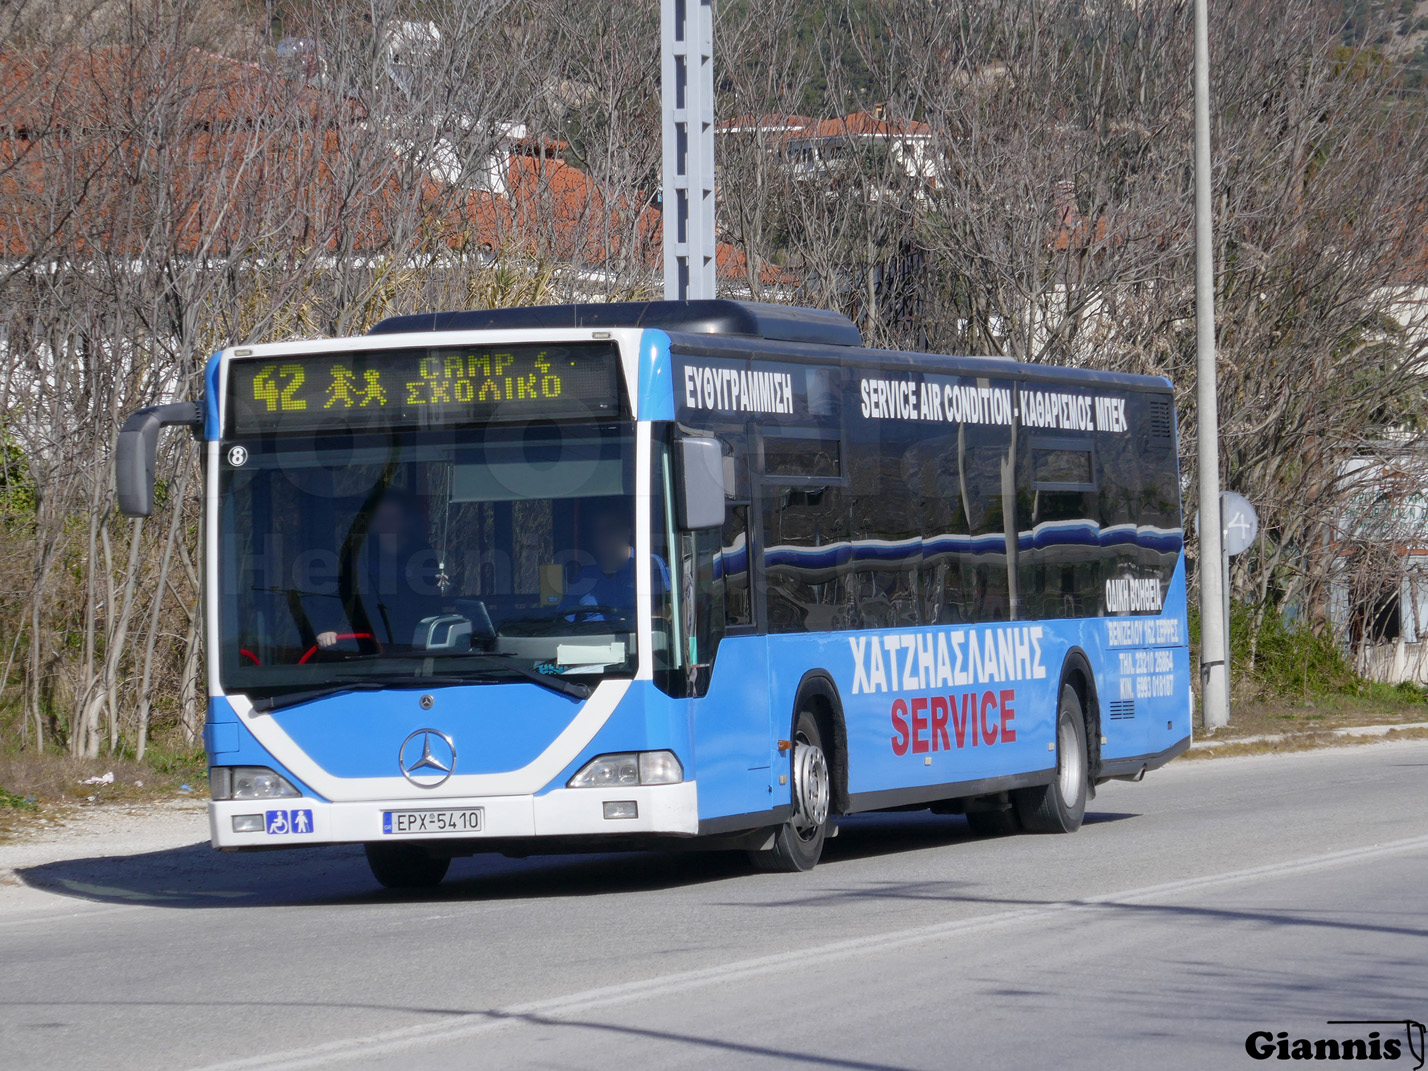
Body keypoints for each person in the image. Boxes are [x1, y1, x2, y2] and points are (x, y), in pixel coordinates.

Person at [315, 489, 440, 648]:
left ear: (405, 521)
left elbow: (430, 599)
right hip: (366, 640)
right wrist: (326, 629)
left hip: (414, 641)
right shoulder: (358, 551)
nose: (386, 524)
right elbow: (338, 593)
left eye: (392, 518)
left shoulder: (422, 551)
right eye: (380, 518)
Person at [563, 501, 667, 619]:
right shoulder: (586, 574)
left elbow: (668, 610)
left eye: (610, 529)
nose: (604, 537)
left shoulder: (650, 564)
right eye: (598, 531)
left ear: (627, 533)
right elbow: (564, 618)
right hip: (590, 635)